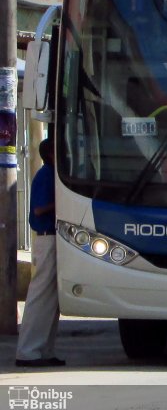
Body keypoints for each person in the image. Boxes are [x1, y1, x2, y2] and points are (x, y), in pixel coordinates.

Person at [15, 138, 65, 367]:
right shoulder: (46, 175)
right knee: (41, 294)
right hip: (47, 237)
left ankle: (44, 350)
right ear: (52, 155)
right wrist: (64, 202)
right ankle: (28, 351)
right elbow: (39, 208)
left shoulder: (52, 174)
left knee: (52, 298)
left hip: (54, 237)